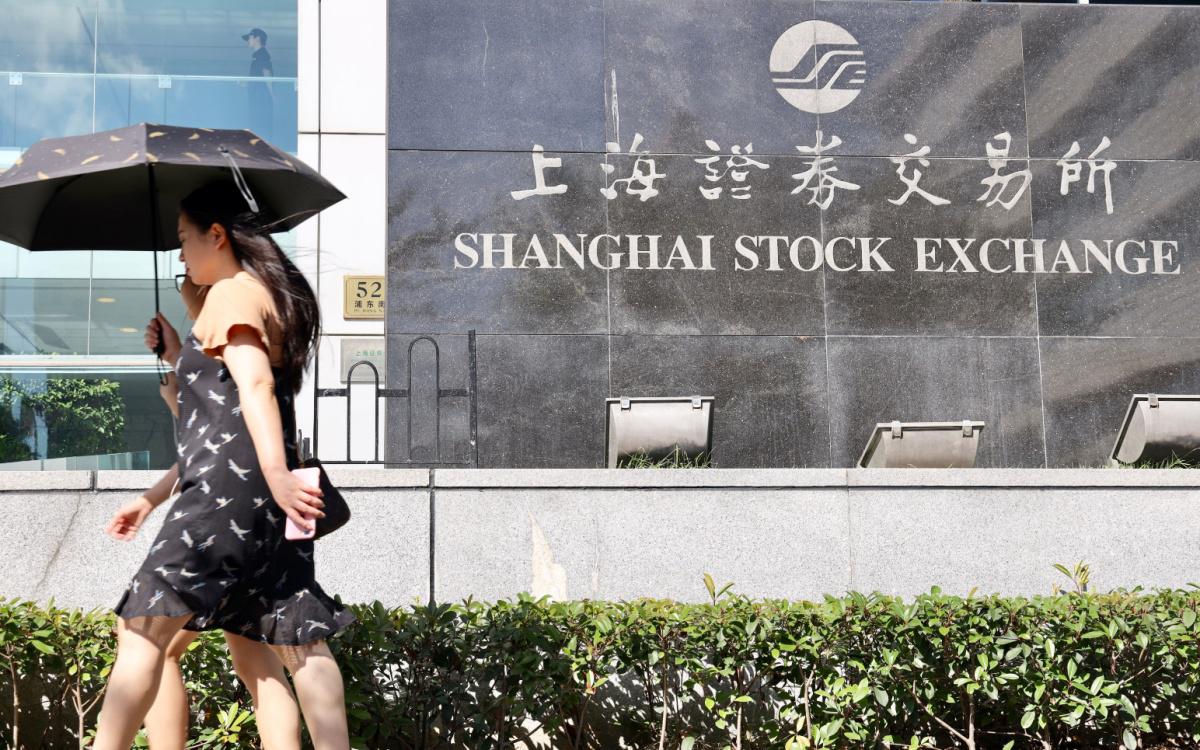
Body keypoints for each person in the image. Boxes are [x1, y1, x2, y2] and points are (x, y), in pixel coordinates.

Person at [92, 180, 355, 750]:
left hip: (226, 498)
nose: (181, 255)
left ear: (217, 235)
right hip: (266, 500)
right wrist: (151, 497)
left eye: (184, 239)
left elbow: (254, 387)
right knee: (290, 639)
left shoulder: (233, 294)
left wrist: (276, 476)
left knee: (141, 629)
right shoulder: (261, 293)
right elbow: (225, 417)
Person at [129, 280, 305, 749]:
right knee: (255, 659)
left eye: (186, 273)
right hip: (255, 515)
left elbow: (216, 439)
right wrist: (175, 359)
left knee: (155, 643)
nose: (182, 279)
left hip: (222, 514)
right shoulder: (242, 332)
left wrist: (179, 382)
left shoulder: (231, 325)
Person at [242, 28, 274, 140]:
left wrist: (272, 96)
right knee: (258, 126)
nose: (248, 41)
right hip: (258, 98)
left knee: (260, 126)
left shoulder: (262, 54)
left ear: (257, 38)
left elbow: (267, 73)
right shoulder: (258, 55)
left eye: (249, 38)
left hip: (261, 99)